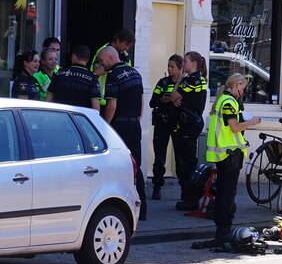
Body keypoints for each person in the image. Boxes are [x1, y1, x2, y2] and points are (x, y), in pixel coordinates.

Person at [205, 73, 260, 249]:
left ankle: (221, 232)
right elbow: (234, 127)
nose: (243, 91)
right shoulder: (229, 102)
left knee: (223, 194)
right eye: (242, 87)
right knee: (227, 195)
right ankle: (224, 232)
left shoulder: (221, 100)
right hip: (230, 154)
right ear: (236, 85)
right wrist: (252, 122)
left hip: (223, 155)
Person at [100, 45, 148, 220]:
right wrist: (136, 118)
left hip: (120, 126)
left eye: (101, 59)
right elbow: (141, 100)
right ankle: (142, 207)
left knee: (120, 166)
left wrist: (104, 126)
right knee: (136, 166)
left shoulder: (113, 76)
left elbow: (112, 105)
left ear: (110, 58)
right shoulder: (135, 73)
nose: (100, 63)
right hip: (134, 124)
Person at [173, 51, 210, 211]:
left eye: (186, 61)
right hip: (189, 123)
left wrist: (179, 80)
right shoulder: (198, 80)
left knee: (186, 163)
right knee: (185, 160)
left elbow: (174, 96)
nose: (184, 65)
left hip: (189, 124)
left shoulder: (192, 80)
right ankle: (187, 197)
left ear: (193, 63)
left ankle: (190, 199)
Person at [150, 54, 184, 200]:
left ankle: (184, 190)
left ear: (180, 68)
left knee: (180, 158)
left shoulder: (185, 84)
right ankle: (157, 187)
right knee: (159, 157)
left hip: (178, 124)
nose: (169, 69)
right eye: (168, 66)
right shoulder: (163, 82)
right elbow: (153, 101)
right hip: (162, 123)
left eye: (173, 67)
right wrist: (169, 99)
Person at [46, 45, 102, 112]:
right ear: (87, 59)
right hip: (80, 120)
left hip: (59, 117)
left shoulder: (59, 74)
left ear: (73, 56)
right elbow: (96, 108)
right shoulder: (92, 79)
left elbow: (48, 100)